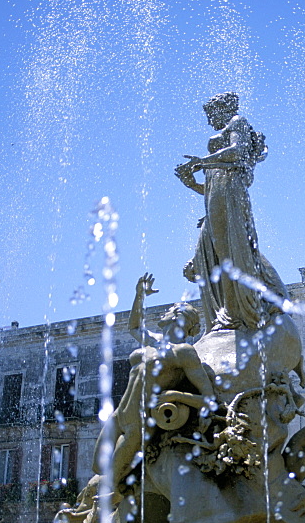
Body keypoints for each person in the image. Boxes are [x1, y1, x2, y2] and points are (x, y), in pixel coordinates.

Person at [93, 273, 216, 492]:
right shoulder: (154, 341)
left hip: (138, 425)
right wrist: (139, 296)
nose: (164, 312)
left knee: (109, 483)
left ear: (178, 318)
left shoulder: (183, 352)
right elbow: (134, 328)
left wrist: (176, 397)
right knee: (96, 466)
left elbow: (209, 398)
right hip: (120, 414)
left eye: (168, 310)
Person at [175, 92, 288, 332]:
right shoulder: (217, 163)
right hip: (218, 190)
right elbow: (211, 189)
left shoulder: (238, 121)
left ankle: (236, 312)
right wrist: (191, 183)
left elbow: (237, 151)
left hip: (230, 191)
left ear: (222, 109)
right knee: (217, 251)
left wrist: (200, 162)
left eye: (210, 115)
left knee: (231, 249)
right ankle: (226, 309)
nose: (209, 122)